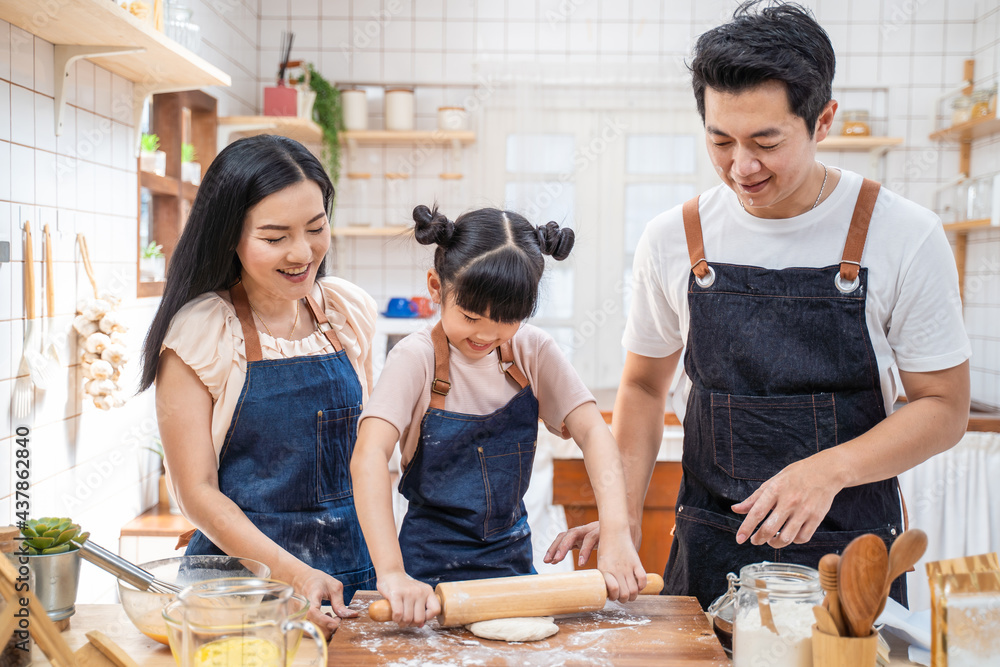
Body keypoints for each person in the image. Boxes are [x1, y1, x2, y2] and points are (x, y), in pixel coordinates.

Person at [545, 1, 971, 609]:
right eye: (721, 140)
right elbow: (642, 388)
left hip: (849, 557)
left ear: (823, 121)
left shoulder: (903, 234)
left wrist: (828, 470)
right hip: (710, 549)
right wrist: (624, 520)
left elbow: (944, 407)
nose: (741, 167)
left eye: (766, 142)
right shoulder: (674, 237)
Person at [351, 205, 646, 626]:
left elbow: (595, 434)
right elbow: (368, 457)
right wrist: (393, 573)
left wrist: (616, 532)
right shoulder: (414, 358)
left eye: (508, 320)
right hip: (426, 578)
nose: (486, 335)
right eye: (470, 317)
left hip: (512, 570)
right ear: (437, 287)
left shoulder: (532, 350)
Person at [139, 135, 378, 633]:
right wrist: (292, 577)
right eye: (275, 237)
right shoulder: (203, 332)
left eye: (316, 228)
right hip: (238, 592)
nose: (302, 251)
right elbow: (197, 492)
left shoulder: (346, 313)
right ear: (231, 236)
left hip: (351, 580)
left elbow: (370, 460)